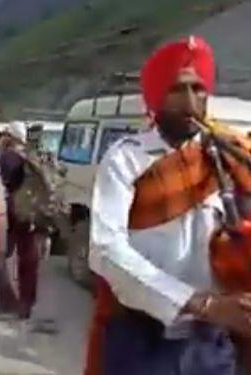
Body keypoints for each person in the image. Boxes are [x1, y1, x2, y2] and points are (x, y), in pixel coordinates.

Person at [85, 36, 251, 375]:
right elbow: (104, 249)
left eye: (198, 89)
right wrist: (199, 304)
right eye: (177, 90)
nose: (191, 102)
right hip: (143, 333)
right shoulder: (126, 159)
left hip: (210, 340)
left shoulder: (227, 155)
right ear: (157, 97)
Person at [0, 121, 40, 320]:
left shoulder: (8, 156)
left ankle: (7, 301)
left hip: (12, 211)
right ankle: (26, 304)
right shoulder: (32, 154)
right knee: (28, 259)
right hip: (31, 211)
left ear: (9, 136)